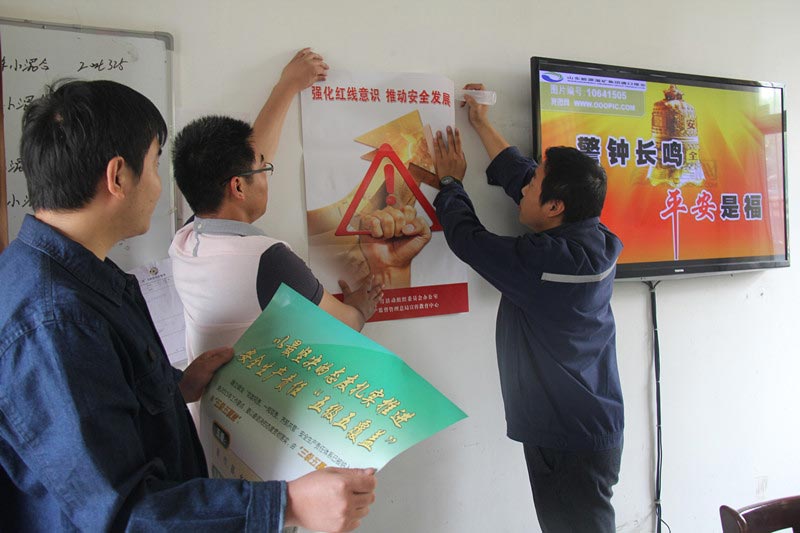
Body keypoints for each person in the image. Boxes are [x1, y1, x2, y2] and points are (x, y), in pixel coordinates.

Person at [0, 78, 376, 532]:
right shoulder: (54, 323)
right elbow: (123, 514)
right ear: (118, 176)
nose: (160, 188)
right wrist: (287, 504)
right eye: (154, 165)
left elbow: (98, 416)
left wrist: (175, 388)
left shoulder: (72, 274)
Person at [433, 83, 624, 532]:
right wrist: (481, 123)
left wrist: (451, 183)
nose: (524, 189)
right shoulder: (591, 234)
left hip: (568, 437)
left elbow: (470, 241)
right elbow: (520, 175)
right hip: (585, 424)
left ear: (555, 206)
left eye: (535, 185)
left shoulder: (551, 264)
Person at [169, 49, 383, 373]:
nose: (267, 174)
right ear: (238, 187)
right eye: (262, 170)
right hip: (261, 402)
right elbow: (342, 326)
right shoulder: (267, 260)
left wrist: (287, 86)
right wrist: (361, 307)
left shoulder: (187, 238)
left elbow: (254, 156)